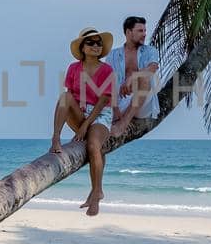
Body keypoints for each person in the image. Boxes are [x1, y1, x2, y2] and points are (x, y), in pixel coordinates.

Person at [50, 26, 116, 216]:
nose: (95, 46)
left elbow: (104, 100)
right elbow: (70, 95)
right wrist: (80, 121)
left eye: (98, 43)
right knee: (64, 96)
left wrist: (86, 125)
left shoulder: (107, 70)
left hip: (100, 114)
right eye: (91, 42)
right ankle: (55, 138)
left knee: (94, 146)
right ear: (83, 47)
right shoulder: (74, 68)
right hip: (79, 112)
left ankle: (96, 192)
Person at [105, 16, 160, 137]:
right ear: (129, 32)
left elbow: (153, 68)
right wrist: (114, 108)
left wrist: (133, 76)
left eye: (145, 31)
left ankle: (123, 124)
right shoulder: (113, 55)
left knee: (144, 77)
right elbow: (108, 84)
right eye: (140, 31)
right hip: (119, 103)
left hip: (143, 103)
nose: (144, 34)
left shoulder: (150, 51)